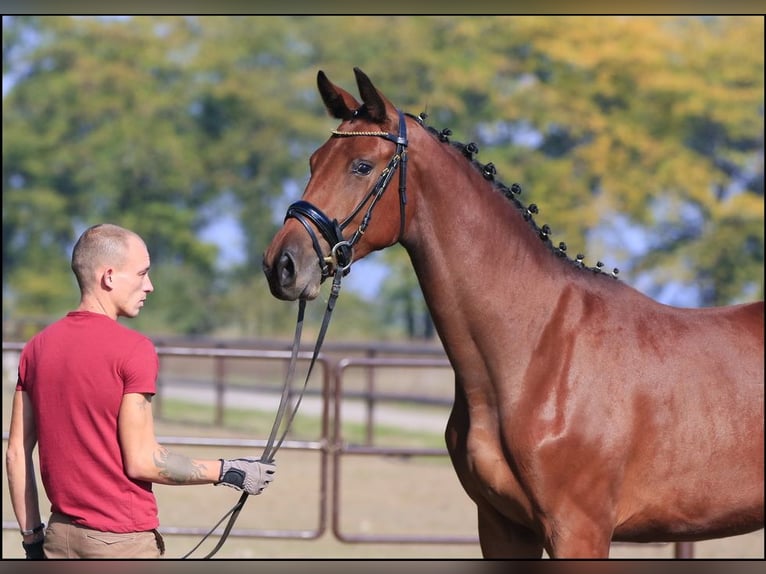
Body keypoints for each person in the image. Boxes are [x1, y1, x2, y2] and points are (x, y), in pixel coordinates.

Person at [5, 223, 276, 559]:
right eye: (142, 273)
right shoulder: (134, 350)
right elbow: (144, 461)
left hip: (58, 539)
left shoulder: (36, 348)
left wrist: (32, 540)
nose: (150, 286)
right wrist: (230, 470)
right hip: (121, 543)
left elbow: (16, 453)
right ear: (109, 276)